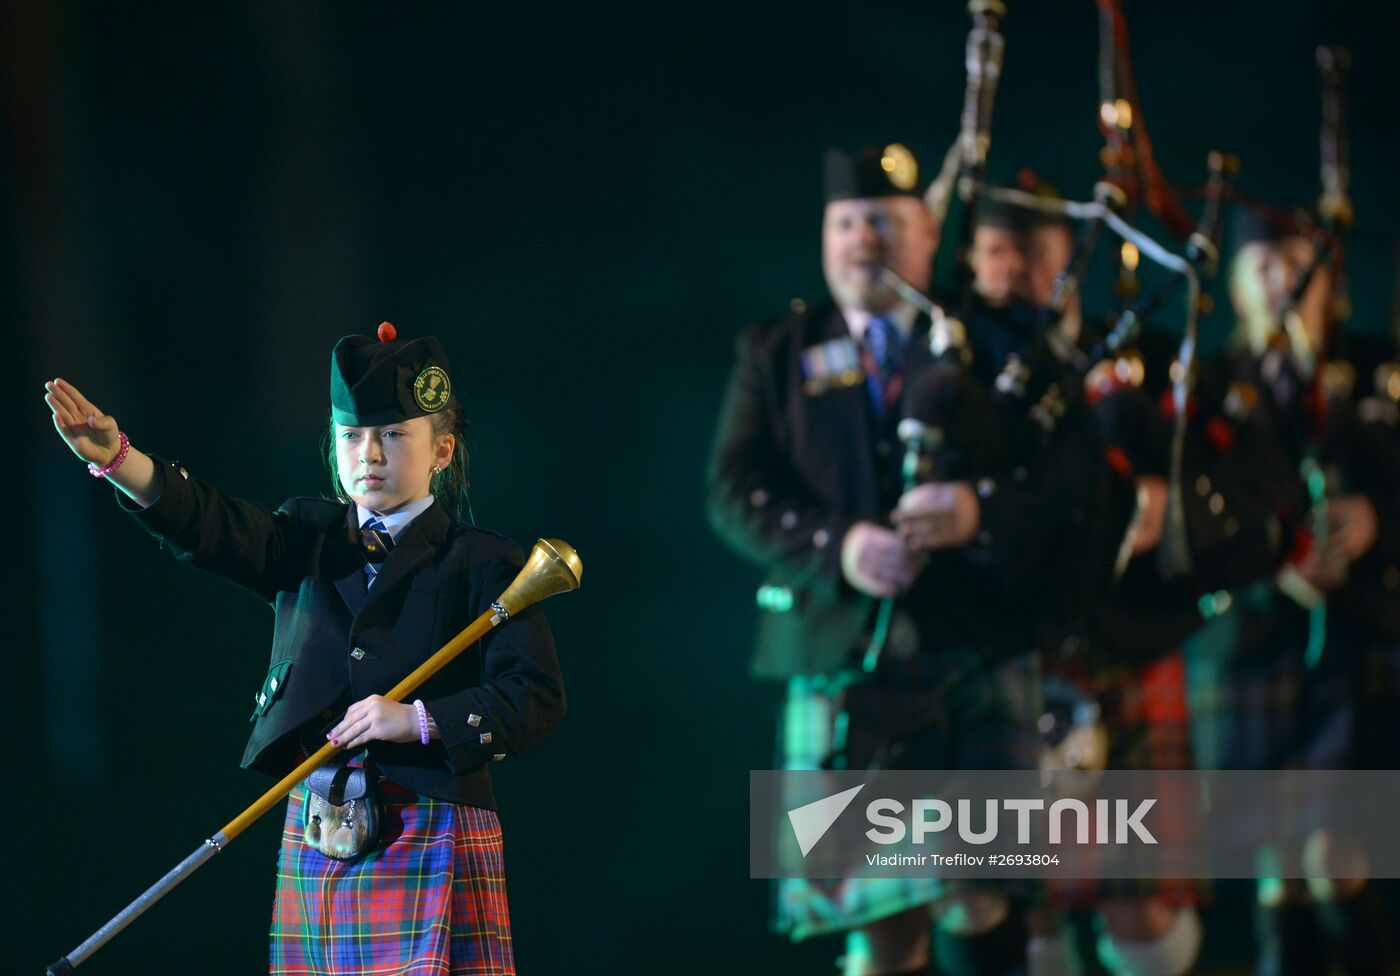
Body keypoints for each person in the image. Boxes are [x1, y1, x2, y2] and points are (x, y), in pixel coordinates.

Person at [707, 144, 1124, 976]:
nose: (866, 239)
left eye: (888, 223)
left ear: (930, 236)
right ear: (827, 238)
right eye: (849, 222)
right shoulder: (777, 352)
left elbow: (1079, 478)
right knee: (884, 920)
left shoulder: (996, 344)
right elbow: (733, 490)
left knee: (981, 888)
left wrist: (981, 512)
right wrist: (841, 545)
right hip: (845, 657)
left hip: (979, 643)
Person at [43, 324, 566, 976]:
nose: (368, 454)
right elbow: (207, 523)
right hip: (323, 824)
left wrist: (419, 719)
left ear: (442, 450)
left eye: (394, 435)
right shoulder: (304, 536)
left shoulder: (482, 561)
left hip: (430, 828)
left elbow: (536, 698)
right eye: (352, 436)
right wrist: (119, 457)